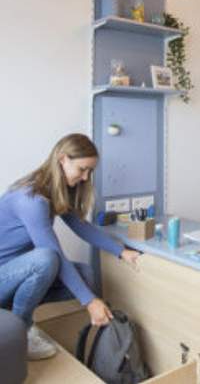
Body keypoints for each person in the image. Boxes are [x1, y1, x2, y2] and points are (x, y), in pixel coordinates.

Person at [0, 133, 140, 360]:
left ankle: (12, 315)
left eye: (90, 171)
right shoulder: (31, 199)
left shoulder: (53, 190)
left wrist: (121, 251)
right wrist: (90, 302)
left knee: (87, 275)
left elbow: (82, 228)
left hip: (14, 275)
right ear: (63, 159)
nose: (85, 177)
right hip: (4, 275)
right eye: (82, 169)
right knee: (46, 259)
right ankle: (19, 332)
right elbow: (54, 254)